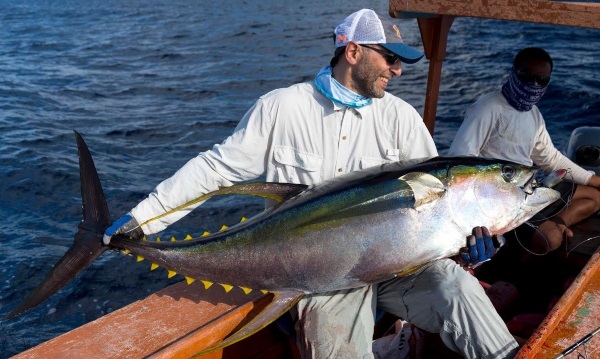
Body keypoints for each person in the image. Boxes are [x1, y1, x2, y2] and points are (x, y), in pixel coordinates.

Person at [104, 9, 518, 358]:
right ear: (353, 51)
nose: (396, 70)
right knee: (335, 341)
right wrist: (142, 220)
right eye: (390, 57)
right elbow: (216, 169)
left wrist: (470, 248)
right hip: (317, 277)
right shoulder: (283, 108)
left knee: (457, 287)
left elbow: (441, 201)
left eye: (401, 62)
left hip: (399, 266)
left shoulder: (401, 119)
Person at [448, 47, 600, 253]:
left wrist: (595, 180)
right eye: (526, 77)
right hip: (501, 199)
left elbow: (550, 159)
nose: (533, 84)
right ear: (513, 72)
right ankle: (525, 262)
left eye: (541, 80)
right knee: (551, 240)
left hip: (529, 188)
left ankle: (557, 221)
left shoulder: (533, 114)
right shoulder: (488, 108)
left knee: (594, 196)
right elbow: (460, 158)